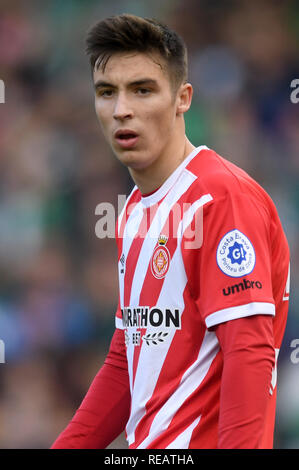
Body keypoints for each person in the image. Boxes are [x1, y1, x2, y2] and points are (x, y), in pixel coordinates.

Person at [51, 14, 290, 449]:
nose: (122, 109)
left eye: (142, 89)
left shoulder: (218, 198)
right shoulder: (135, 211)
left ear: (183, 98)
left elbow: (249, 354)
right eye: (107, 92)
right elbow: (128, 361)